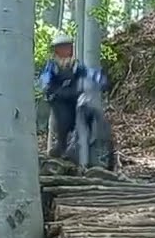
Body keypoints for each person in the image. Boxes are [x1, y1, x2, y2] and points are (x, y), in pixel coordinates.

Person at [39, 34, 108, 164]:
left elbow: (89, 72)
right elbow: (45, 78)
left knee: (90, 112)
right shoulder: (52, 65)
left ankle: (94, 144)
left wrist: (101, 80)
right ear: (56, 51)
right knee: (64, 120)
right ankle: (62, 146)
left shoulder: (76, 65)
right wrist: (46, 86)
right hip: (58, 98)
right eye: (62, 48)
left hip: (75, 97)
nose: (66, 50)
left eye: (68, 47)